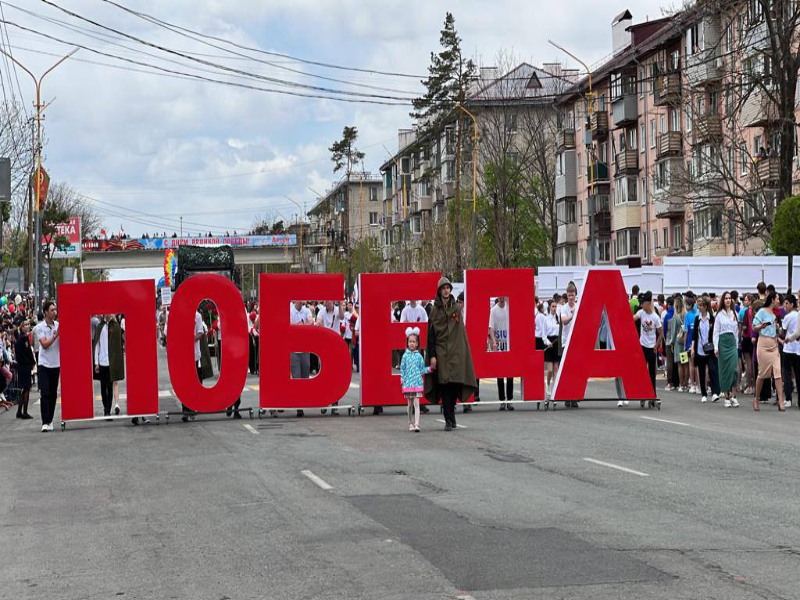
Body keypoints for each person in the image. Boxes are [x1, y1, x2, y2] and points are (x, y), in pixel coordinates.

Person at [424, 276, 477, 431]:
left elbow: (461, 333)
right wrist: (432, 355)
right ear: (439, 291)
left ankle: (451, 415)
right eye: (443, 288)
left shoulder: (455, 308)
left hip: (455, 352)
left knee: (454, 385)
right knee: (444, 385)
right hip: (441, 352)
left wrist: (462, 352)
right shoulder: (434, 310)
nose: (446, 290)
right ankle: (448, 419)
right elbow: (431, 335)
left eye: (448, 288)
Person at [752, 291, 784, 411]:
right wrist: (762, 326)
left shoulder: (775, 313)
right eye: (777, 299)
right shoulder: (762, 311)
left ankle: (781, 401)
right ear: (772, 300)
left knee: (778, 373)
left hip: (774, 345)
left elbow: (777, 331)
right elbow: (754, 326)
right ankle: (756, 398)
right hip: (763, 345)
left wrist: (778, 331)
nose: (778, 301)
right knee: (762, 374)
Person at [632, 292, 663, 407]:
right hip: (642, 346)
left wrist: (656, 346)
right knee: (642, 372)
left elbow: (661, 334)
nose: (641, 305)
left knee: (651, 373)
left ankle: (652, 395)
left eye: (643, 303)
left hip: (651, 348)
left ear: (649, 303)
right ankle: (642, 394)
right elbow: (633, 318)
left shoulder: (655, 317)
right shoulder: (641, 313)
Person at [400, 327, 432, 432]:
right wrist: (402, 380)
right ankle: (410, 423)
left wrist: (430, 369)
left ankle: (417, 424)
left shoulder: (419, 356)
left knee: (417, 403)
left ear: (417, 343)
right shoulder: (405, 356)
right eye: (410, 341)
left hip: (417, 383)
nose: (412, 343)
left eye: (414, 342)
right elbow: (402, 370)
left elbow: (422, 369)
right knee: (409, 405)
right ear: (407, 343)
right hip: (408, 384)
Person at [34, 300, 60, 432]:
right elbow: (44, 344)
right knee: (45, 393)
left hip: (56, 364)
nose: (54, 312)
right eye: (52, 310)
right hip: (44, 365)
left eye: (55, 310)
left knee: (53, 393)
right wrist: (55, 336)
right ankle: (45, 422)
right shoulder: (40, 327)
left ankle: (50, 420)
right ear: (45, 312)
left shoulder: (58, 325)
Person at [316, 300, 345, 415]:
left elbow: (342, 317)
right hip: (324, 345)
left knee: (335, 376)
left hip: (336, 345)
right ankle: (324, 402)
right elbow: (319, 321)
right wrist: (319, 324)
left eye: (329, 301)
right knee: (324, 375)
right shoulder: (321, 312)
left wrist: (340, 305)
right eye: (325, 301)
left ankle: (334, 403)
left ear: (333, 302)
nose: (327, 303)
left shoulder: (337, 310)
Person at [691, 297, 720, 403]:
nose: (700, 307)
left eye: (702, 305)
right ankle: (703, 393)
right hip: (699, 348)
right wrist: (693, 347)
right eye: (699, 305)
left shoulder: (711, 318)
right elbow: (694, 335)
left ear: (706, 307)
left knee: (712, 370)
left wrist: (716, 346)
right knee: (701, 371)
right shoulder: (696, 319)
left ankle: (714, 393)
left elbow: (715, 333)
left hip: (710, 348)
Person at [714, 291, 740, 407]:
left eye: (729, 298)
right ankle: (726, 396)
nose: (728, 300)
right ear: (723, 301)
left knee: (734, 369)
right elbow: (716, 332)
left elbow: (737, 331)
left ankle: (734, 396)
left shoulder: (735, 314)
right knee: (724, 370)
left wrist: (737, 343)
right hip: (722, 343)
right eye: (726, 298)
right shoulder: (719, 315)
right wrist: (716, 347)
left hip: (732, 343)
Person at [489, 296, 514, 411]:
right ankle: (502, 400)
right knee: (500, 373)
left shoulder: (510, 308)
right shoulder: (493, 310)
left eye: (503, 296)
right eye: (500, 297)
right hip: (499, 344)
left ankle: (509, 400)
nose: (502, 298)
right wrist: (494, 342)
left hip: (509, 344)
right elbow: (491, 329)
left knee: (510, 373)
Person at [290, 300, 313, 417]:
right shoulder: (290, 309)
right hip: (294, 350)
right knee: (297, 377)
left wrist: (300, 325)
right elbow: (287, 324)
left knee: (305, 377)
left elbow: (311, 322)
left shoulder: (307, 310)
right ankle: (299, 407)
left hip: (305, 349)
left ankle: (302, 401)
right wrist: (300, 325)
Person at [558, 282, 578, 407]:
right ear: (567, 295)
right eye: (569, 295)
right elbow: (563, 321)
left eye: (572, 295)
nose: (571, 297)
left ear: (576, 295)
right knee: (566, 371)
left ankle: (574, 396)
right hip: (566, 342)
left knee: (575, 371)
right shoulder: (563, 308)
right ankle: (566, 396)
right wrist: (572, 316)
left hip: (576, 343)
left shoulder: (578, 306)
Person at [92, 315, 115, 418]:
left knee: (110, 387)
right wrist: (96, 362)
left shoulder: (114, 326)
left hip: (111, 362)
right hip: (101, 362)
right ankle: (105, 406)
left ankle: (108, 409)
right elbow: (97, 345)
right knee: (102, 386)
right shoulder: (99, 327)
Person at [782, 294, 800, 408]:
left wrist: (784, 337)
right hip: (797, 349)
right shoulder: (798, 315)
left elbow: (783, 332)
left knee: (787, 375)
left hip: (788, 349)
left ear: (792, 304)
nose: (785, 305)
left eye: (787, 303)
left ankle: (788, 399)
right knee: (798, 375)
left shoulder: (788, 317)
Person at [14, 320, 34, 420]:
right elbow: (28, 352)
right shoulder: (23, 338)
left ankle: (19, 411)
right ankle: (24, 412)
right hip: (25, 366)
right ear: (21, 327)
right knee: (26, 388)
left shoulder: (20, 338)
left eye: (28, 324)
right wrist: (32, 361)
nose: (27, 326)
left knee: (24, 389)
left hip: (22, 366)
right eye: (25, 325)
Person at [543, 300, 560, 398]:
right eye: (553, 306)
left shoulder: (558, 318)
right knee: (549, 370)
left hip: (556, 342)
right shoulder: (546, 319)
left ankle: (554, 389)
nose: (554, 308)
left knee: (556, 369)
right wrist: (547, 342)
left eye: (555, 306)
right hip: (549, 343)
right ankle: (548, 384)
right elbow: (543, 335)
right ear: (549, 307)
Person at [739, 294, 754, 394]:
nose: (744, 302)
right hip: (754, 337)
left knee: (748, 363)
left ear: (749, 301)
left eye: (745, 300)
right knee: (753, 363)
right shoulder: (756, 311)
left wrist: (740, 337)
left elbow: (743, 327)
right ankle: (754, 385)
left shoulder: (745, 311)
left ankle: (749, 385)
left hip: (746, 338)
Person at [684, 294, 698, 394]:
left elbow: (686, 331)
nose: (685, 307)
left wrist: (685, 344)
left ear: (690, 305)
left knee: (691, 364)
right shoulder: (698, 314)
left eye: (687, 305)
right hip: (698, 341)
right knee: (697, 364)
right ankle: (697, 385)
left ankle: (692, 384)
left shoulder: (687, 315)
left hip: (690, 341)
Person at [663, 297, 675, 391]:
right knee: (677, 362)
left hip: (668, 340)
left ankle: (670, 382)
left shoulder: (667, 315)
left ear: (668, 304)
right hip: (677, 341)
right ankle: (677, 381)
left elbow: (664, 330)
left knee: (669, 362)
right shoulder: (677, 314)